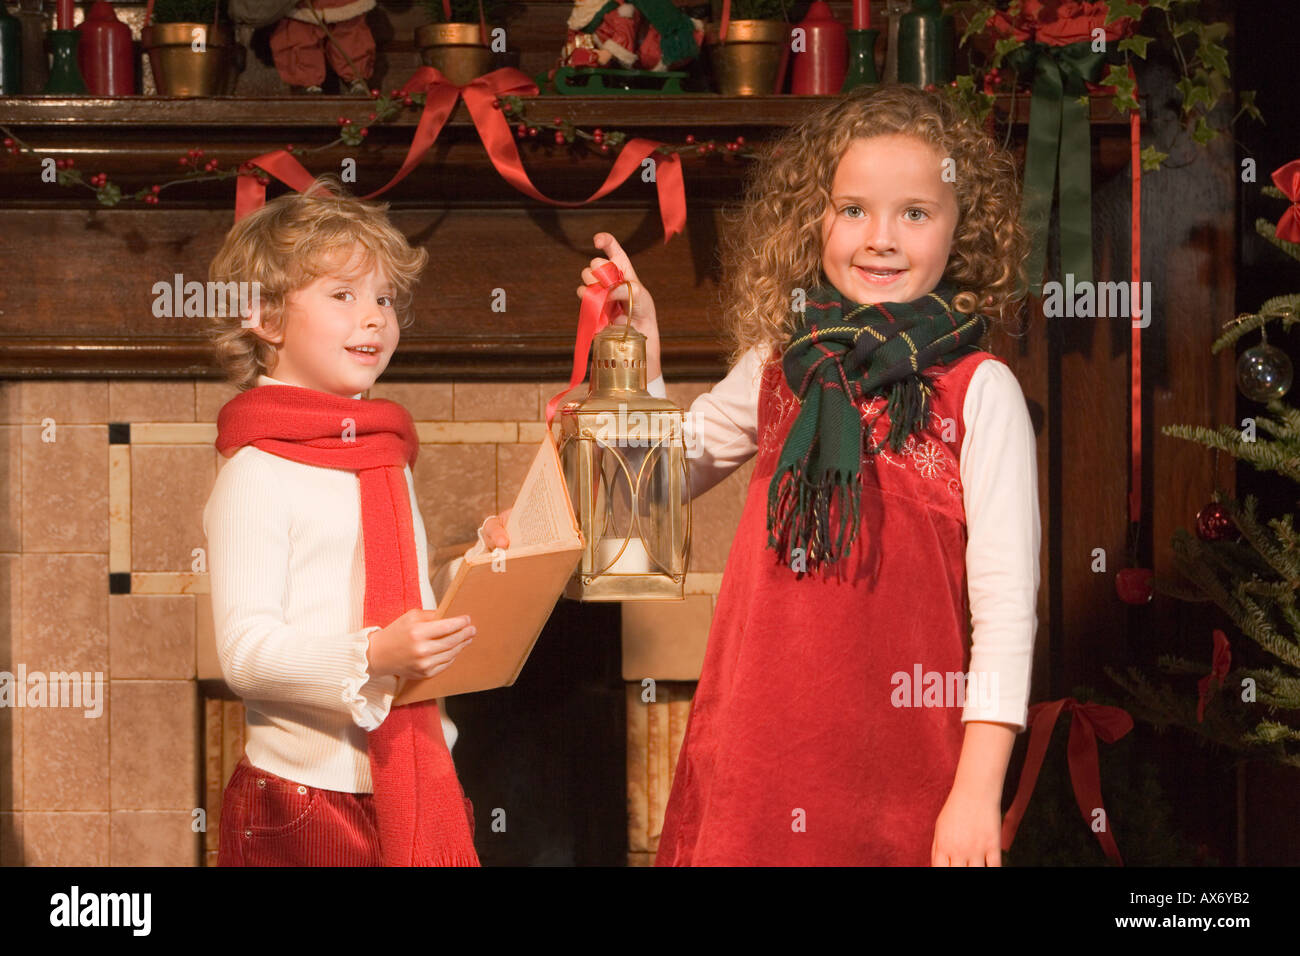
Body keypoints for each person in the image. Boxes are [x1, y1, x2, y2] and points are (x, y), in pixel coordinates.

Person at [577, 84, 1040, 865]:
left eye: (915, 213)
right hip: (754, 756)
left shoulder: (980, 389)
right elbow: (646, 492)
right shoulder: (775, 369)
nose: (881, 238)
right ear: (812, 221)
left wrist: (975, 793)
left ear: (963, 230)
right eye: (853, 209)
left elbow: (1006, 613)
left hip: (902, 766)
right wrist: (644, 373)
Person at [203, 174, 510, 866]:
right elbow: (246, 652)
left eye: (383, 298)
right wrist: (372, 657)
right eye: (342, 296)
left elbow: (401, 603)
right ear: (266, 317)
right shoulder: (256, 472)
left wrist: (479, 570)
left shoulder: (383, 453)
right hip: (303, 806)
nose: (374, 317)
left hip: (412, 781)